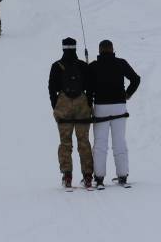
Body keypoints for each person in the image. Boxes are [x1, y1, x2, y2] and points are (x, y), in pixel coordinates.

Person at [88, 40, 140, 189]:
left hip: (101, 107)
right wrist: (127, 94)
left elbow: (89, 88)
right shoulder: (121, 63)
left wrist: (89, 104)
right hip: (119, 107)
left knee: (100, 143)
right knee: (119, 141)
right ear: (112, 50)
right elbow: (136, 79)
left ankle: (98, 178)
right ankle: (122, 175)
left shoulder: (93, 66)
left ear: (99, 51)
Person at [48, 37, 94, 189]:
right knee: (84, 142)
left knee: (65, 142)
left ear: (63, 48)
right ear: (75, 48)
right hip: (81, 105)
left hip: (63, 105)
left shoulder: (56, 66)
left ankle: (67, 175)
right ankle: (87, 176)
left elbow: (51, 88)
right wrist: (88, 103)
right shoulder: (82, 65)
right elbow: (89, 86)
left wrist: (56, 105)